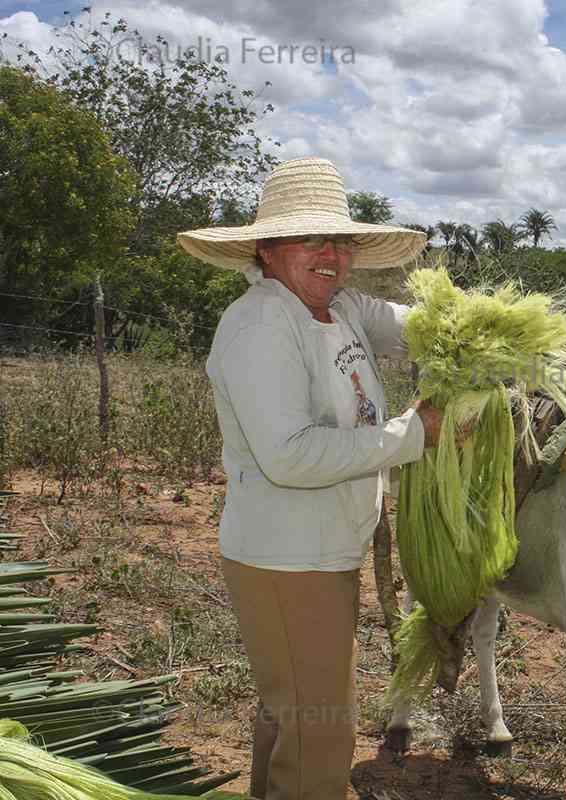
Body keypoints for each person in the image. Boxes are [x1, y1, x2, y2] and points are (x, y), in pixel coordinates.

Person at [178, 156, 442, 799]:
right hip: (288, 559)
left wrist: (481, 329)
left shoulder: (339, 306)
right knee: (321, 736)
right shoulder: (263, 324)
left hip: (321, 551)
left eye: (340, 241)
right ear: (267, 250)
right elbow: (289, 456)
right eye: (310, 239)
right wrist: (413, 434)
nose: (330, 254)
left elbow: (416, 327)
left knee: (290, 709)